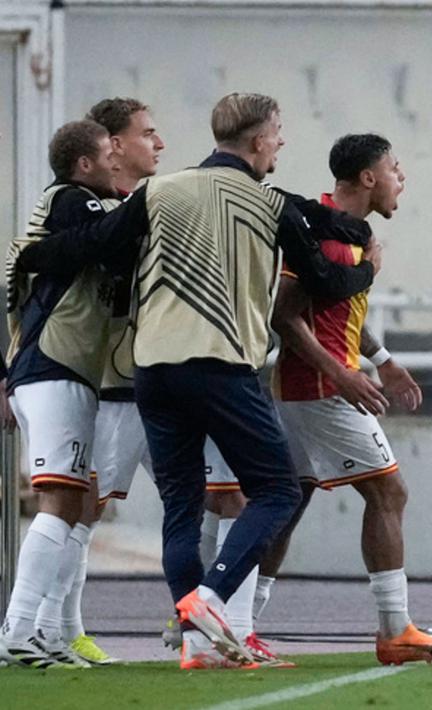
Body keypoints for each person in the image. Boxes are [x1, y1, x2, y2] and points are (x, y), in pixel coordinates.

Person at [12, 93, 377, 669]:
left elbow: (92, 245)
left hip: (153, 371)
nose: (281, 142)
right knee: (278, 489)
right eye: (278, 132)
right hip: (220, 366)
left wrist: (28, 254)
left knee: (182, 506)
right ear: (258, 141)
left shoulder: (161, 191)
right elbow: (326, 281)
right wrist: (367, 268)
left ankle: (197, 645)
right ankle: (206, 603)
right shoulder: (268, 202)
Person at [212, 134, 432, 665]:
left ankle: (241, 627)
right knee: (388, 493)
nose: (402, 179)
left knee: (290, 498)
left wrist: (382, 358)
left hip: (307, 385)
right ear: (369, 178)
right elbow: (286, 315)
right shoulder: (328, 239)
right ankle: (395, 630)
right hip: (322, 388)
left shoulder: (340, 231)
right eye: (395, 168)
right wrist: (342, 375)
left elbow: (334, 312)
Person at [0, 120, 121, 668]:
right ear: (85, 165)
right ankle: (17, 631)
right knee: (57, 501)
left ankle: (44, 633)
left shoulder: (68, 209)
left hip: (62, 369)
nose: (118, 160)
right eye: (109, 152)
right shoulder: (75, 201)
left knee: (71, 502)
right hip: (53, 366)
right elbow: (114, 238)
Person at [50, 97, 165, 667]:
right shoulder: (77, 208)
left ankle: (209, 623)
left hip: (167, 380)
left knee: (225, 499)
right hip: (115, 386)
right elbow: (34, 275)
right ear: (111, 147)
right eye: (148, 133)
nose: (160, 144)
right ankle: (58, 628)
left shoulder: (139, 205)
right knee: (80, 508)